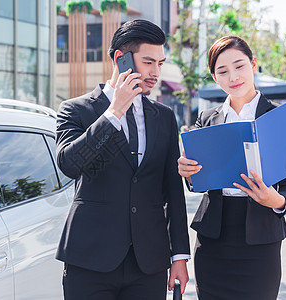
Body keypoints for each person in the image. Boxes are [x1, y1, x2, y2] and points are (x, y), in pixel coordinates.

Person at [56, 19, 190, 300]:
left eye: (160, 63)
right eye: (148, 62)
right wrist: (114, 112)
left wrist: (179, 256)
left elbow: (172, 190)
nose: (155, 72)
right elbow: (69, 164)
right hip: (90, 260)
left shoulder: (163, 117)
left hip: (148, 263)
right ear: (122, 59)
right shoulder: (75, 110)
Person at [178, 35, 286, 300]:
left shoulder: (279, 119)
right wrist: (187, 172)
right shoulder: (206, 119)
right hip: (212, 241)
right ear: (215, 78)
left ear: (253, 65)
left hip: (260, 242)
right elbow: (196, 184)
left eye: (239, 66)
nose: (233, 76)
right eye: (222, 71)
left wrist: (276, 200)